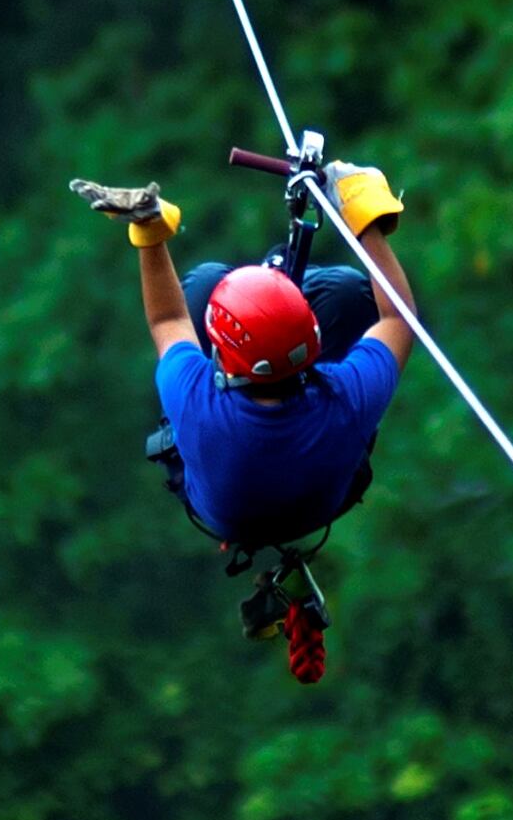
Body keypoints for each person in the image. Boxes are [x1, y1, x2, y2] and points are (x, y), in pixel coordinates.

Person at [71, 164, 415, 551]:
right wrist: (362, 215)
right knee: (349, 293)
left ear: (223, 356)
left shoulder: (196, 401)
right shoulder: (347, 400)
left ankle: (259, 293)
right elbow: (399, 318)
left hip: (226, 512)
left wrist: (150, 232)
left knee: (204, 284)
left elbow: (169, 318)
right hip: (324, 498)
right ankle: (282, 297)